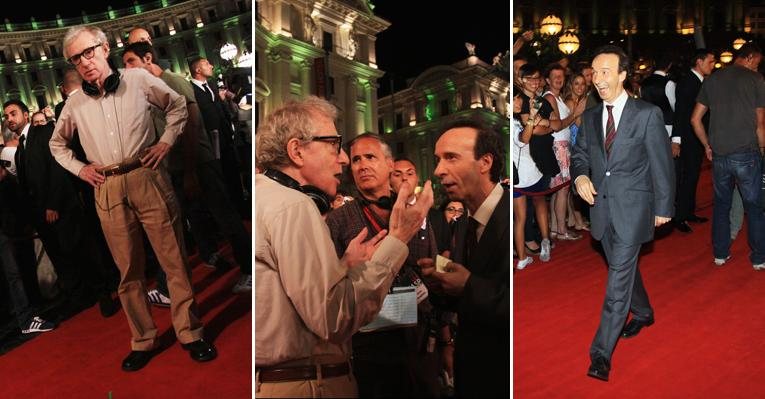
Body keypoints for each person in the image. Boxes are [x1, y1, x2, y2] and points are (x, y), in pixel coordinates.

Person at [49, 25, 215, 371]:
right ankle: (143, 338)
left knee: (173, 259)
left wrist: (166, 142)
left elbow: (178, 107)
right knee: (128, 270)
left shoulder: (138, 80)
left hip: (146, 175)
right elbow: (56, 145)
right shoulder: (74, 103)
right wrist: (81, 170)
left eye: (89, 52)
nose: (85, 62)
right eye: (76, 58)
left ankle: (190, 332)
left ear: (105, 47)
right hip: (106, 186)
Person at [254, 96, 433, 398]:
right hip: (311, 383)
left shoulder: (268, 196)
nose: (344, 160)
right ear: (296, 150)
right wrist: (398, 238)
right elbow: (332, 319)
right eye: (334, 146)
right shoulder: (293, 206)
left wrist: (342, 268)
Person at [571, 45, 674, 382]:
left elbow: (661, 162)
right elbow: (580, 155)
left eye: (604, 72)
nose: (597, 79)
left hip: (634, 207)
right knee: (623, 267)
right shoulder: (589, 116)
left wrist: (663, 206)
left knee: (616, 282)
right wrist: (581, 175)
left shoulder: (646, 114)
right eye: (594, 73)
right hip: (601, 209)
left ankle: (600, 353)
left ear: (622, 75)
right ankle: (643, 312)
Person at [122, 41, 252, 294]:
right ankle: (168, 286)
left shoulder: (174, 82)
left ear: (148, 58)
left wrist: (191, 170)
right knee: (177, 225)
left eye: (130, 62)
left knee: (225, 217)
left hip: (198, 163)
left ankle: (249, 269)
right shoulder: (150, 89)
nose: (126, 69)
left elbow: (192, 125)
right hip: (179, 167)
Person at [325, 133, 442, 398]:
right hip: (367, 343)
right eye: (356, 160)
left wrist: (445, 337)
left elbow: (434, 265)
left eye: (370, 157)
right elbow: (329, 285)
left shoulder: (415, 211)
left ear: (390, 164)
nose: (362, 165)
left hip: (419, 337)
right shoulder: (339, 220)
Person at [418, 118, 510, 398]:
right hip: (472, 370)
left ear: (485, 162)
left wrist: (467, 285)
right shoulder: (462, 223)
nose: (437, 170)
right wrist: (441, 285)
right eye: (437, 159)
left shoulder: (513, 215)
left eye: (451, 158)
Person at [691, 42, 765, 269]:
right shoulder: (756, 80)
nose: (757, 67)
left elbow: (695, 119)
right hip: (747, 152)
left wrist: (707, 146)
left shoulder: (712, 80)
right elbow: (760, 124)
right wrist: (762, 150)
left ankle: (720, 254)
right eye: (758, 63)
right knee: (754, 206)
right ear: (750, 58)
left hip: (720, 154)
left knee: (721, 205)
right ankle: (759, 258)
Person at [672, 49, 715, 233]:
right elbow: (680, 113)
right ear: (699, 61)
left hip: (696, 137)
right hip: (688, 138)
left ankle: (688, 212)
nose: (713, 65)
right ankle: (679, 217)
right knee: (686, 177)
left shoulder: (698, 81)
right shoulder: (688, 82)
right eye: (711, 61)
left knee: (693, 176)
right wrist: (676, 140)